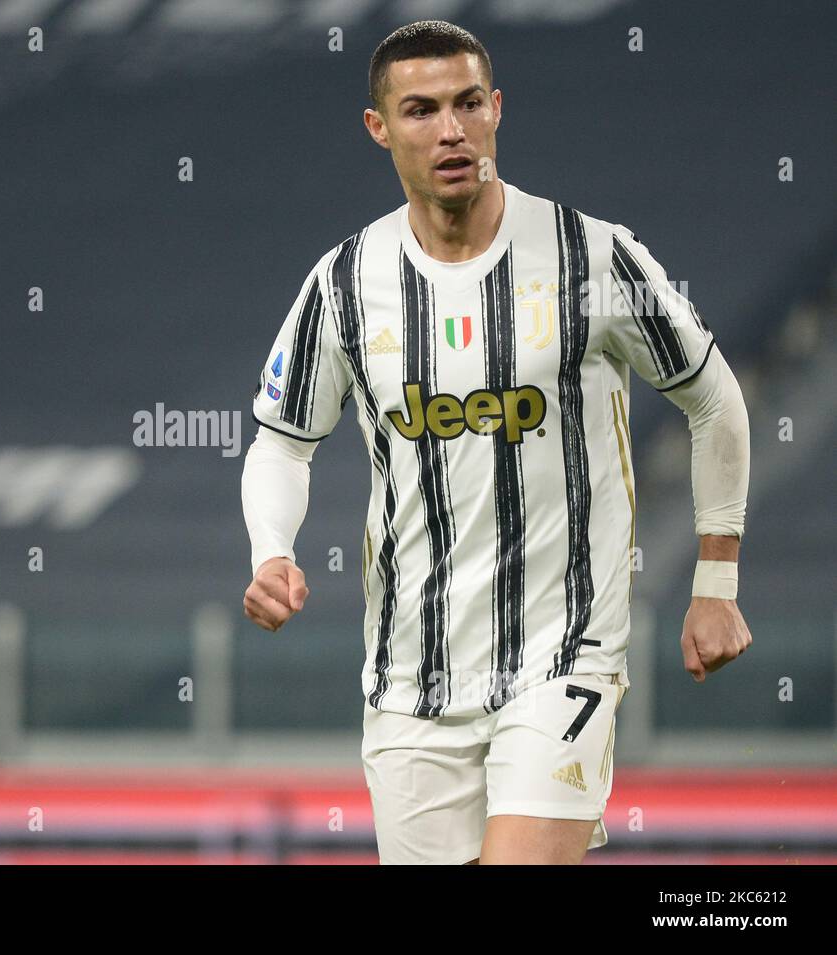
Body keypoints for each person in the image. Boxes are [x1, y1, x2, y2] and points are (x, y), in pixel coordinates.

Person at [240, 20, 752, 865]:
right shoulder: (342, 283)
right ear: (379, 128)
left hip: (565, 656)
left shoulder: (591, 256)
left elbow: (716, 398)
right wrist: (270, 550)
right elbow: (283, 441)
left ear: (497, 109)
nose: (451, 130)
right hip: (410, 679)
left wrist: (717, 579)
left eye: (468, 103)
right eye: (421, 110)